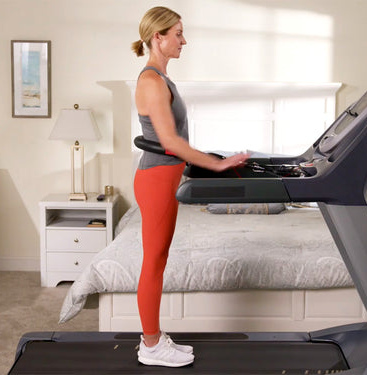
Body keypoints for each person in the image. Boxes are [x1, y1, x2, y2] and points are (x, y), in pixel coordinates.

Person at [130, 6, 250, 368]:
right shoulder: (151, 81)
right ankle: (150, 345)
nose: (184, 40)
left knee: (158, 258)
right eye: (178, 33)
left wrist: (213, 161)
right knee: (153, 261)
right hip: (157, 178)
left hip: (166, 175)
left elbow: (177, 139)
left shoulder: (161, 79)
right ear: (158, 37)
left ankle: (153, 338)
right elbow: (170, 142)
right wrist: (216, 163)